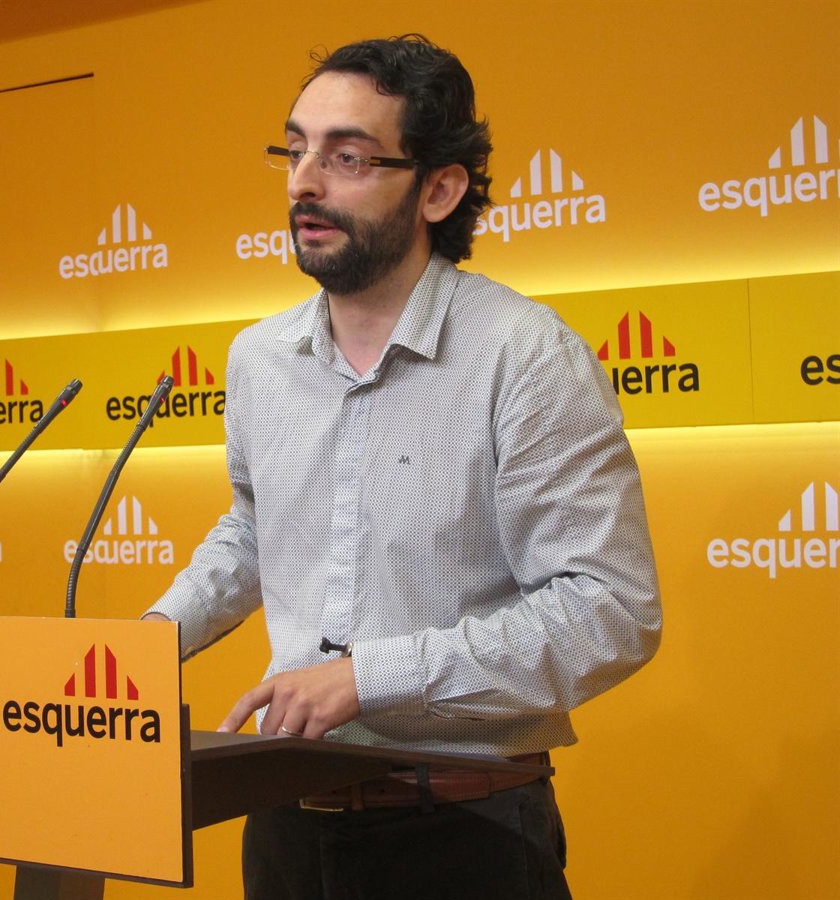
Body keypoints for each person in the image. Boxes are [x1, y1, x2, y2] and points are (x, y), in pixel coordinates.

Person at [143, 34, 661, 899]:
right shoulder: (258, 358)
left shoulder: (524, 356)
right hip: (283, 824)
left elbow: (608, 611)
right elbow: (255, 534)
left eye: (346, 157)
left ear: (439, 189)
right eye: (295, 150)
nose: (304, 183)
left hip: (462, 831)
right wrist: (151, 639)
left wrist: (367, 679)